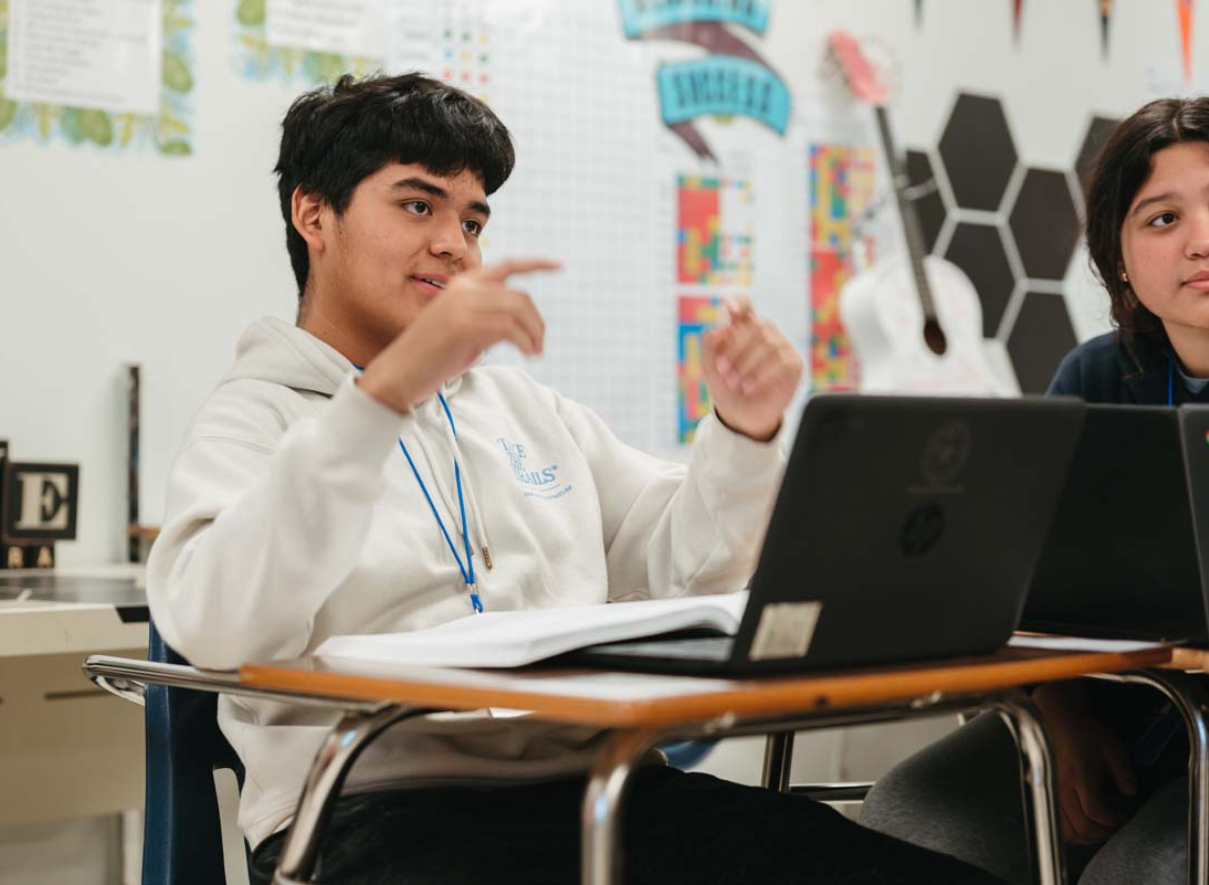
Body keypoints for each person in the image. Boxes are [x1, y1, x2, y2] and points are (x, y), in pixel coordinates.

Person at [146, 72, 1006, 884]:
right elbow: (220, 623)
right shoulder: (252, 415)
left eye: (474, 221)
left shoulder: (521, 408)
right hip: (372, 813)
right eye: (417, 204)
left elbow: (681, 561)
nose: (453, 243)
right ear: (313, 214)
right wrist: (385, 392)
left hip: (604, 785)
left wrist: (742, 428)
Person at [860, 96, 1209, 885]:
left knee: (1138, 872)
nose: (1200, 241)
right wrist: (1060, 720)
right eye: (1161, 219)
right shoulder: (1092, 377)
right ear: (1116, 259)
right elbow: (1016, 576)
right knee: (912, 815)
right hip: (1112, 711)